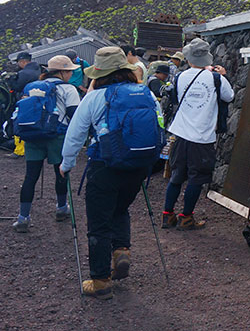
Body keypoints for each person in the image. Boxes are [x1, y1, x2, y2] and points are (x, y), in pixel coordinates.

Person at [60, 46, 161, 299]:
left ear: (100, 73)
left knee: (98, 222)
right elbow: (160, 122)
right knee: (120, 208)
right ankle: (121, 251)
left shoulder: (95, 97)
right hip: (138, 165)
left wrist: (66, 164)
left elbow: (76, 134)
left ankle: (101, 281)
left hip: (104, 165)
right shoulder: (145, 92)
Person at [161, 38, 233, 231]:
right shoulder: (217, 79)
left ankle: (167, 215)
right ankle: (186, 217)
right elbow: (229, 96)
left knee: (177, 175)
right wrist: (222, 75)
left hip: (180, 134)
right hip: (202, 137)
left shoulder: (180, 77)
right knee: (196, 178)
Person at [10, 55, 82, 232]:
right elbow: (74, 113)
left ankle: (23, 217)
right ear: (63, 72)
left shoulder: (32, 86)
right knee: (61, 172)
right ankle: (61, 208)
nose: (70, 75)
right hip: (56, 136)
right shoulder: (68, 89)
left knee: (30, 176)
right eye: (69, 71)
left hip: (33, 136)